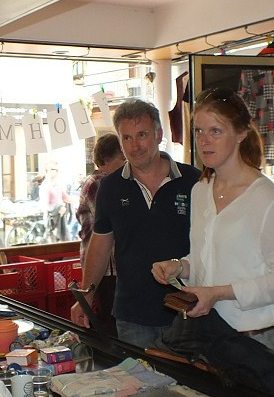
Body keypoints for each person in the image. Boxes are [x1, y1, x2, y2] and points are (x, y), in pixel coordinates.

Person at [151, 89, 274, 358]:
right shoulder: (201, 190)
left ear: (241, 133)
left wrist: (218, 293)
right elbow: (205, 260)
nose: (204, 141)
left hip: (258, 341)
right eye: (198, 131)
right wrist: (179, 266)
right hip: (210, 337)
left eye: (215, 131)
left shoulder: (264, 196)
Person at [70, 98, 201, 348]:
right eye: (126, 138)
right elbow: (100, 244)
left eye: (142, 135)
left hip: (188, 311)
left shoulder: (193, 181)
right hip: (132, 315)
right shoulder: (110, 186)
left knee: (188, 386)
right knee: (140, 385)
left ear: (159, 134)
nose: (135, 145)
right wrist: (86, 295)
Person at [75, 133, 125, 337]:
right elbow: (107, 225)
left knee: (112, 316)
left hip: (110, 266)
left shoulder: (106, 182)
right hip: (103, 266)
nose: (126, 163)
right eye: (122, 159)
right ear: (105, 161)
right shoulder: (99, 183)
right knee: (109, 318)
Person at [39, 163, 70, 242]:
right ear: (48, 171)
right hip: (51, 217)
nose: (56, 172)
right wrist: (58, 208)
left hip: (59, 216)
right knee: (51, 240)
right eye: (54, 169)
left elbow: (65, 197)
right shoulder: (45, 185)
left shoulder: (58, 184)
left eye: (57, 170)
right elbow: (44, 204)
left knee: (62, 238)